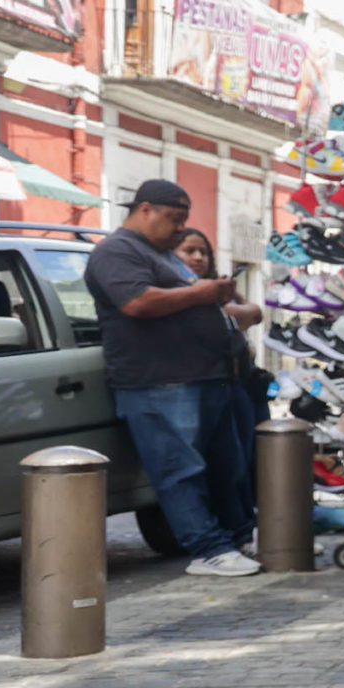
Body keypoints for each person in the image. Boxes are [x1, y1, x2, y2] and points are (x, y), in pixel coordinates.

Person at [83, 180, 259, 577]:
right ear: (144, 209)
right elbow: (138, 302)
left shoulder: (162, 254)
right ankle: (207, 549)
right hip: (158, 382)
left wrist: (217, 297)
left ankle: (238, 537)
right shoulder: (116, 251)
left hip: (204, 376)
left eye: (184, 220)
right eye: (174, 219)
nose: (180, 228)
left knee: (225, 466)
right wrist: (201, 294)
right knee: (180, 470)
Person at [173, 226, 266, 544]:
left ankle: (247, 526)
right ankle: (229, 530)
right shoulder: (173, 293)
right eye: (189, 250)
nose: (198, 257)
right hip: (199, 386)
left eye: (203, 251)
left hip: (238, 386)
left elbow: (253, 313)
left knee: (245, 462)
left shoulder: (215, 290)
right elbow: (239, 315)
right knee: (220, 467)